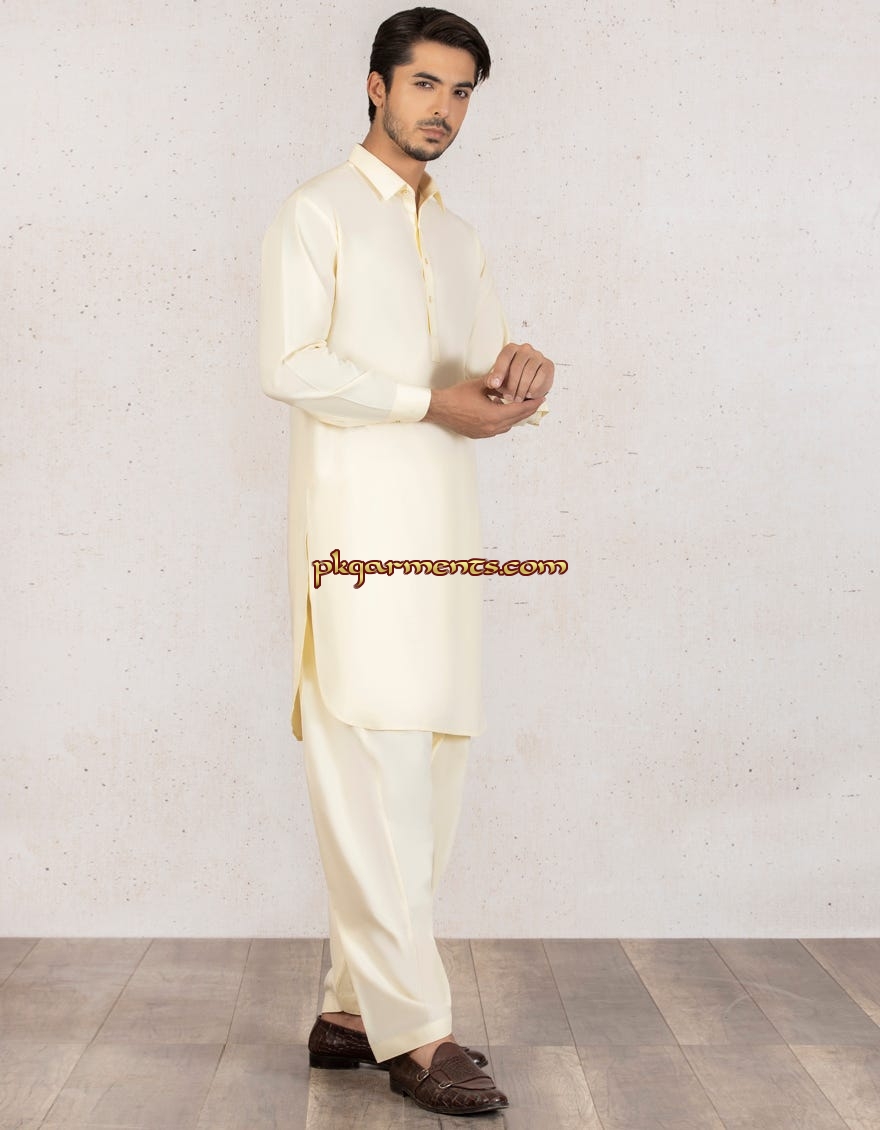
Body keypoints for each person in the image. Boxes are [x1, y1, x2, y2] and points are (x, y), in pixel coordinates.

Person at [259, 6, 554, 1117]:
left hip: (446, 545)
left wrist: (521, 381)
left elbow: (475, 382)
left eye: (462, 91)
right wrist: (428, 402)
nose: (444, 108)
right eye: (425, 83)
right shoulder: (317, 212)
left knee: (426, 779)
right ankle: (417, 1035)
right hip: (355, 543)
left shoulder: (461, 238)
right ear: (377, 85)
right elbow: (289, 364)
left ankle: (350, 1010)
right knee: (374, 769)